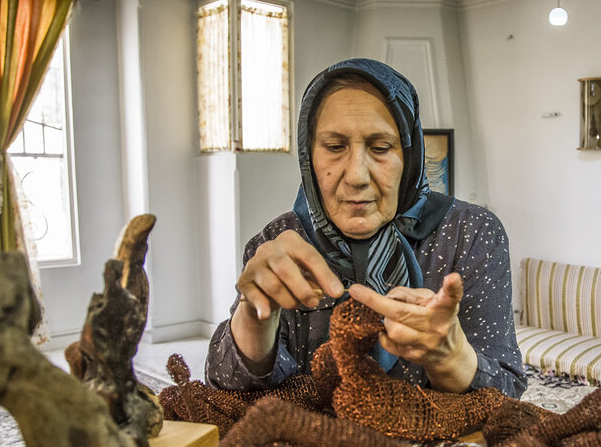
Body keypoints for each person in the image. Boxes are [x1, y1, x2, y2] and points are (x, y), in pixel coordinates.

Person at [205, 58, 525, 398]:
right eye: (334, 147)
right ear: (307, 156)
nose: (356, 176)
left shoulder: (469, 234)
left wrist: (452, 357)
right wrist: (255, 319)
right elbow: (226, 387)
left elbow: (507, 395)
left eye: (381, 147)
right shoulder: (278, 243)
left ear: (410, 155)